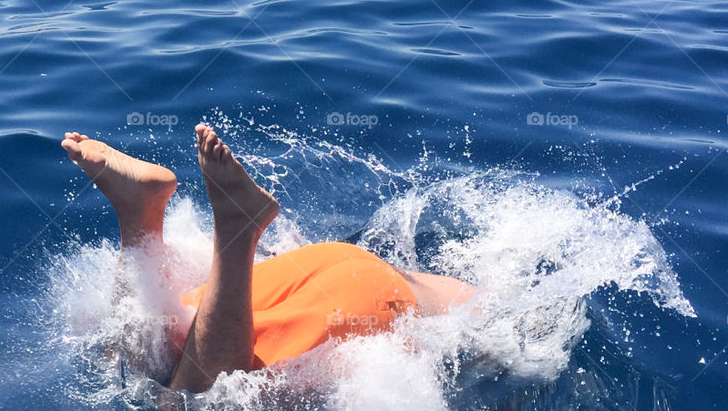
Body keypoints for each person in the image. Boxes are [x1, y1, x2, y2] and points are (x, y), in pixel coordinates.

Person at [61, 125, 476, 394]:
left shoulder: (461, 283)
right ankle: (233, 229)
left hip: (325, 262)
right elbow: (481, 407)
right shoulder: (492, 316)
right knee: (196, 400)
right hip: (378, 300)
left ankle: (141, 220)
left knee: (159, 354)